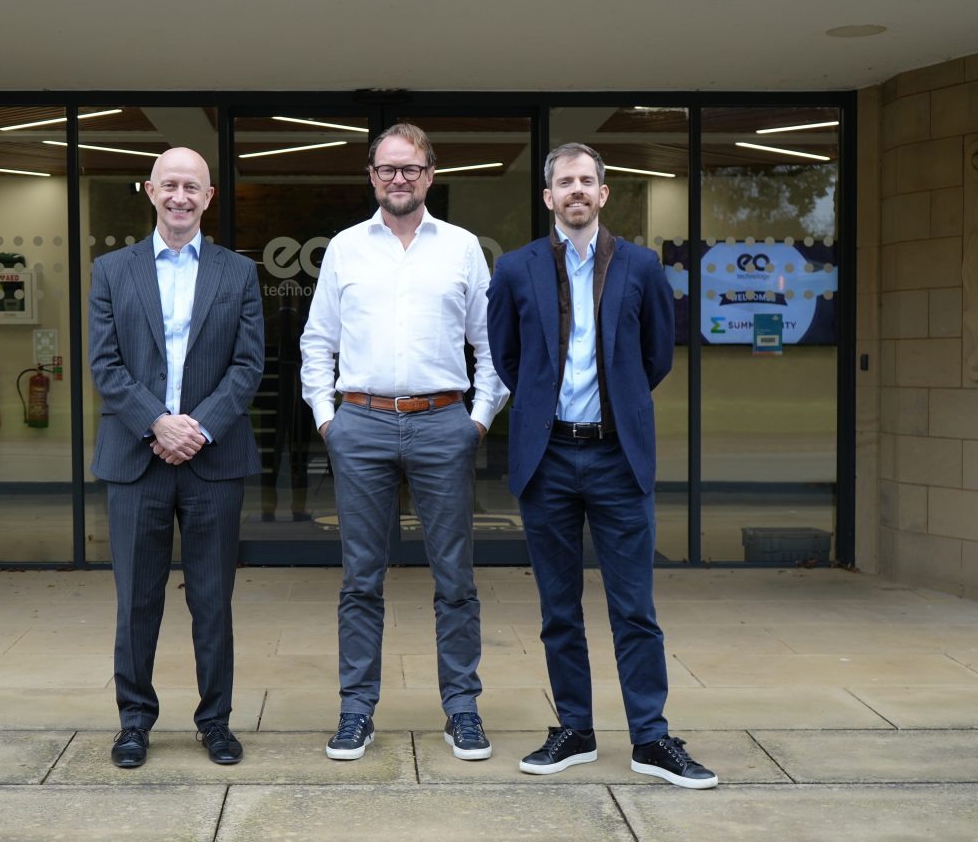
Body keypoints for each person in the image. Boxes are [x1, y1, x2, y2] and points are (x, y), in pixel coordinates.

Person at [486, 143, 717, 788]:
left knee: (634, 609)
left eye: (588, 180)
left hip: (618, 458)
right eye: (566, 182)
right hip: (550, 456)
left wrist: (615, 408)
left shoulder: (641, 267)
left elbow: (656, 358)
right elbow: (508, 356)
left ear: (604, 194)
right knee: (559, 609)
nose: (578, 191)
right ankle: (575, 731)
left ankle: (651, 737)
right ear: (548, 196)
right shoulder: (514, 269)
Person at [301, 122, 508, 762]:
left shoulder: (464, 248)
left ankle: (463, 710)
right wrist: (325, 418)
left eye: (410, 169)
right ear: (371, 176)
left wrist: (477, 418)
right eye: (387, 168)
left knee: (456, 579)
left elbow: (490, 344)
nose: (399, 178)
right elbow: (317, 342)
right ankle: (356, 712)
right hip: (359, 424)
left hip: (443, 422)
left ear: (429, 174)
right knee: (361, 579)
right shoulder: (344, 248)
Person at [88, 147, 264, 769]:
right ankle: (134, 721)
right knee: (137, 599)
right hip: (137, 458)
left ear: (209, 197)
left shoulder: (238, 273)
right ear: (149, 190)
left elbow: (248, 367)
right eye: (170, 185)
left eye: (193, 186)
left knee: (212, 599)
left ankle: (215, 722)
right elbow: (104, 364)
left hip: (213, 461)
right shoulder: (111, 270)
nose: (181, 196)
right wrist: (156, 423)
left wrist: (199, 428)